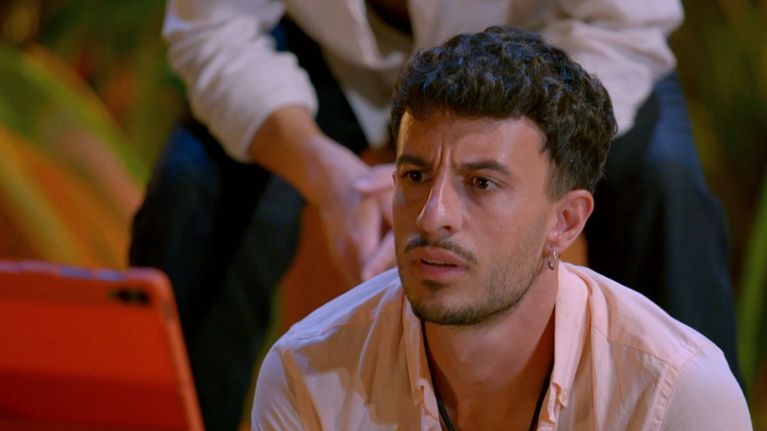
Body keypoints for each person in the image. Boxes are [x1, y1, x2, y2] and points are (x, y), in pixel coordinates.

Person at [131, 0, 740, 428]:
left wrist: (527, 139)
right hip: (318, 55)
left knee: (667, 188)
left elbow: (623, 22)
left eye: (477, 186)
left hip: (553, 55)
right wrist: (323, 170)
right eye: (415, 179)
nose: (434, 215)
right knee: (191, 192)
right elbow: (215, 28)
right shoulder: (298, 371)